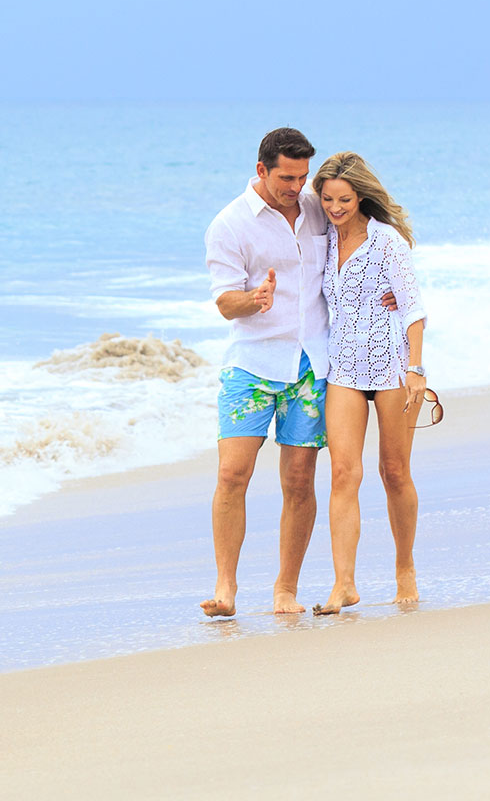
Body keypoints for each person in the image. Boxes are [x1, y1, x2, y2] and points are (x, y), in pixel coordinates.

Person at [200, 128, 334, 617]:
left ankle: (285, 590)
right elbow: (224, 303)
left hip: (311, 365)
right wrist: (252, 300)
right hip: (252, 365)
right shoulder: (230, 224)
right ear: (261, 170)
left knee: (300, 482)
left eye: (302, 176)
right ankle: (225, 588)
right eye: (285, 177)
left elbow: (360, 245)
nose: (295, 186)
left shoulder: (320, 209)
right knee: (233, 473)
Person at [311, 152, 426, 615]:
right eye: (327, 199)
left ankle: (405, 568)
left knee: (393, 472)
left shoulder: (386, 241)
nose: (335, 207)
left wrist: (416, 369)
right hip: (343, 370)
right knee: (343, 473)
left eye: (344, 199)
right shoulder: (322, 242)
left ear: (361, 197)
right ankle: (344, 584)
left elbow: (414, 308)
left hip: (393, 367)